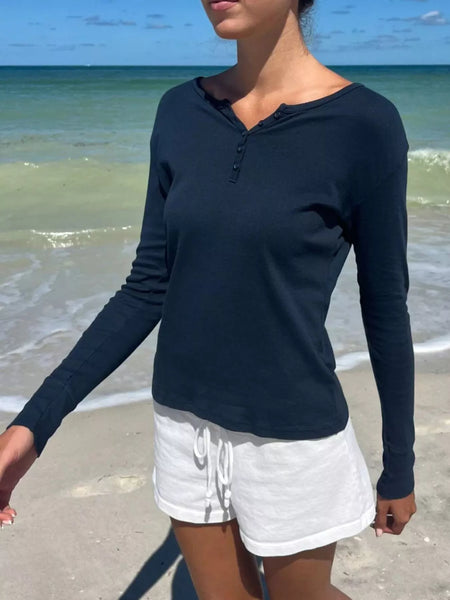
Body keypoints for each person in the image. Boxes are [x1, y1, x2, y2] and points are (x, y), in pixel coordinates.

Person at [0, 1, 417, 598]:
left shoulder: (365, 125)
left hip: (289, 433)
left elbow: (385, 306)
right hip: (183, 422)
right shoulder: (180, 110)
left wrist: (399, 464)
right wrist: (33, 425)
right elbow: (148, 285)